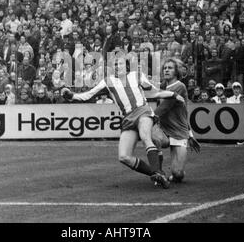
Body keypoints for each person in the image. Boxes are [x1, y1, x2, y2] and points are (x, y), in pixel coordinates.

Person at [62, 57, 185, 189]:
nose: (117, 66)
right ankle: (156, 173)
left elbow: (155, 92)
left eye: (119, 63)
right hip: (127, 119)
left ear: (126, 66)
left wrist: (173, 94)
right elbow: (87, 95)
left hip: (142, 111)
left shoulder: (136, 75)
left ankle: (157, 172)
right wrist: (71, 96)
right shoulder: (107, 82)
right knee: (124, 157)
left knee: (146, 138)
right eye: (114, 64)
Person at [152, 59, 201, 183]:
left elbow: (164, 108)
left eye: (170, 68)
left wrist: (189, 134)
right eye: (165, 68)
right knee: (152, 136)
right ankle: (158, 172)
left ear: (176, 71)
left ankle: (174, 174)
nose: (166, 70)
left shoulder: (179, 86)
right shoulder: (162, 87)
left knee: (178, 174)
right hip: (164, 131)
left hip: (178, 132)